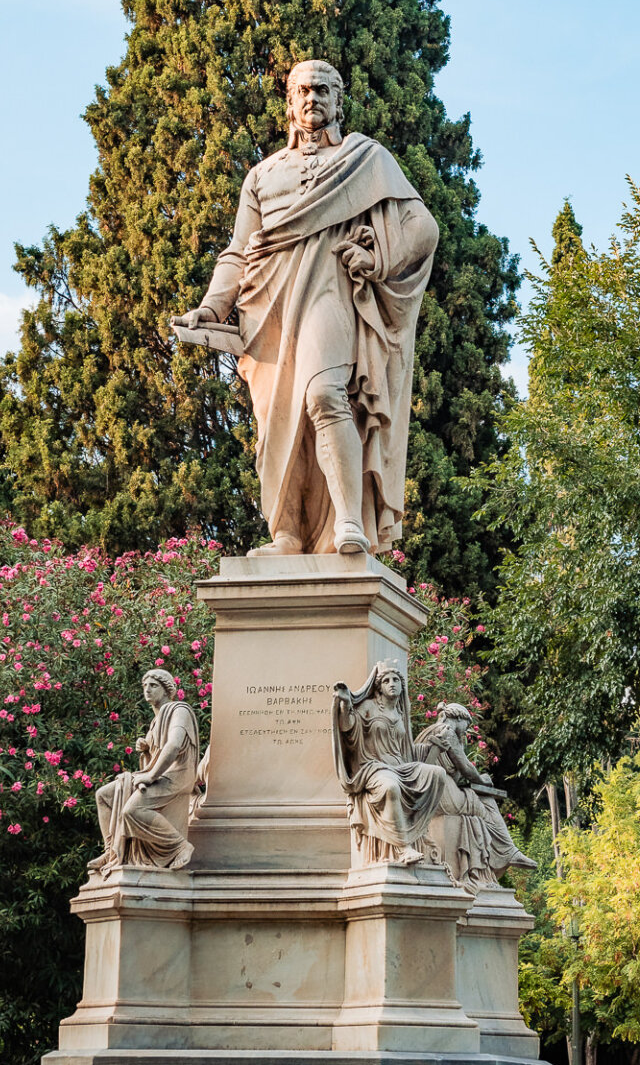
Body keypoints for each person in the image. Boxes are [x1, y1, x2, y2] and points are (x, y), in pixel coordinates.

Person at [172, 59, 438, 556]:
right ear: (290, 103)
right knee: (278, 426)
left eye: (322, 90)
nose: (312, 98)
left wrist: (379, 260)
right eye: (302, 91)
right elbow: (237, 252)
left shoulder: (365, 161)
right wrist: (211, 308)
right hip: (265, 308)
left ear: (338, 102)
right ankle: (288, 535)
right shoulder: (263, 175)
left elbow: (423, 228)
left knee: (324, 394)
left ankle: (349, 524)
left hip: (328, 294)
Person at [332, 662, 448, 865]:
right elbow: (348, 729)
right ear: (379, 687)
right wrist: (346, 704)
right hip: (373, 767)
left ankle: (416, 830)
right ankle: (403, 847)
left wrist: (433, 747)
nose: (391, 684)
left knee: (437, 774)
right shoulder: (369, 707)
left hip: (400, 767)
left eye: (395, 680)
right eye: (386, 681)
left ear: (402, 686)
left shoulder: (400, 713)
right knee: (390, 787)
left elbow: (407, 750)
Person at [415, 703, 536, 888]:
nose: (466, 730)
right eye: (467, 724)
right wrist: (482, 779)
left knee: (481, 802)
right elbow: (466, 768)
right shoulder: (447, 731)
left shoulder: (426, 732)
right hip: (443, 793)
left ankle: (507, 852)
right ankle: (507, 852)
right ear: (458, 718)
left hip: (430, 794)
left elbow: (456, 773)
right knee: (486, 802)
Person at [90, 669, 200, 873]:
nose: (147, 690)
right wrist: (147, 749)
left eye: (153, 685)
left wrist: (151, 776)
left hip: (177, 775)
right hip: (159, 775)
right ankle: (110, 851)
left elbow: (174, 746)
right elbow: (155, 756)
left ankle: (179, 846)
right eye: (145, 686)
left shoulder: (179, 711)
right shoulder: (155, 721)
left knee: (132, 810)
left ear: (167, 689)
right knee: (103, 795)